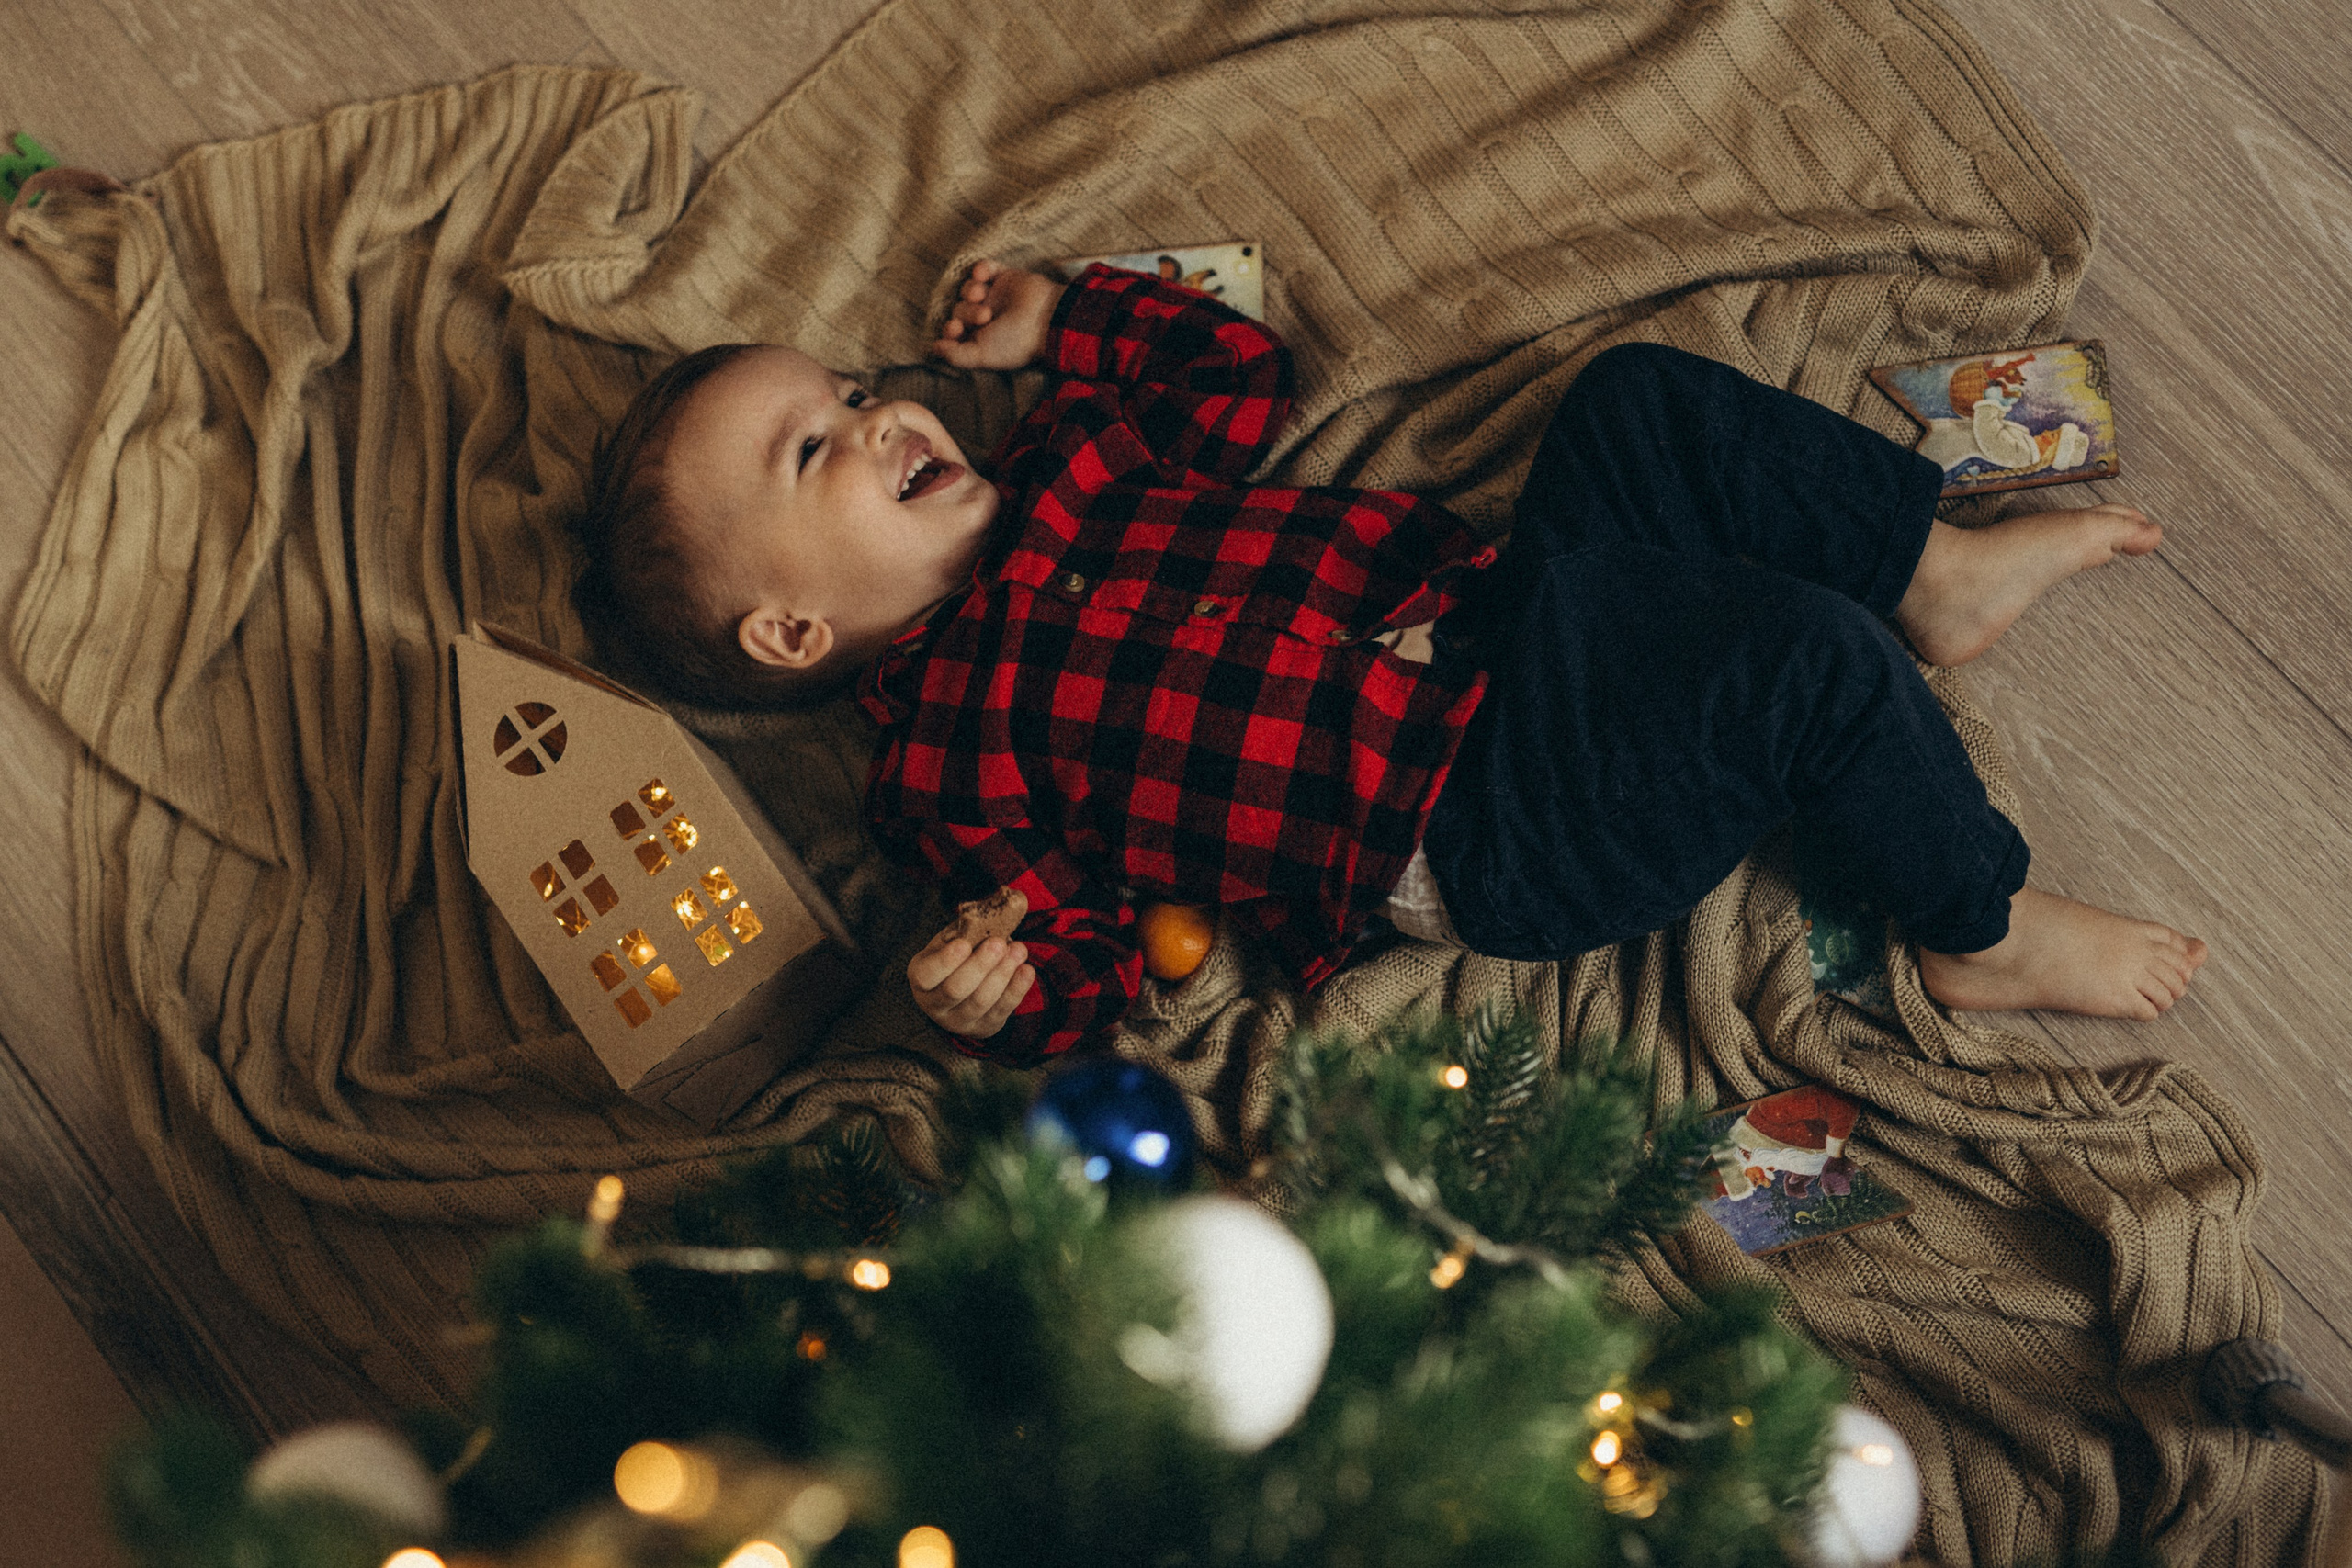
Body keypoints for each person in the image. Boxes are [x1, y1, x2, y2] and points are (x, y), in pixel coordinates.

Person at [571, 258, 2207, 1066]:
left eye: (857, 394)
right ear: (792, 628)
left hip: (1500, 615)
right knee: (1798, 669)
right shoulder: (943, 765)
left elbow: (1234, 364)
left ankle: (1932, 567)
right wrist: (988, 995)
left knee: (1635, 400)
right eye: (818, 453)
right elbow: (1096, 948)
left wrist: (1069, 320)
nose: (881, 420)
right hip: (1471, 821)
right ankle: (1972, 922)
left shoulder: (1083, 463)